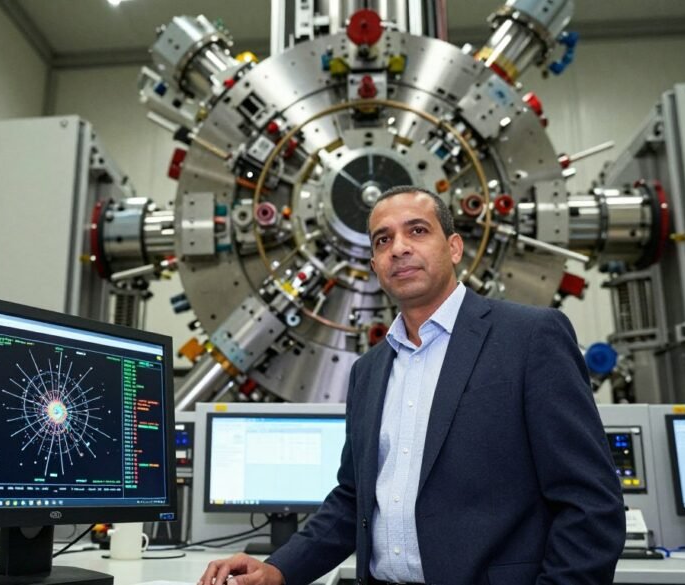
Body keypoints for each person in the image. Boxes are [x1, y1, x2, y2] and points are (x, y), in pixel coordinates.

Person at [199, 186, 625, 585]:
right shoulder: (369, 371)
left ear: (453, 247)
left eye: (417, 231)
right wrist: (277, 571)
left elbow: (591, 504)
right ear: (374, 266)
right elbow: (354, 500)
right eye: (382, 240)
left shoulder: (529, 338)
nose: (399, 247)